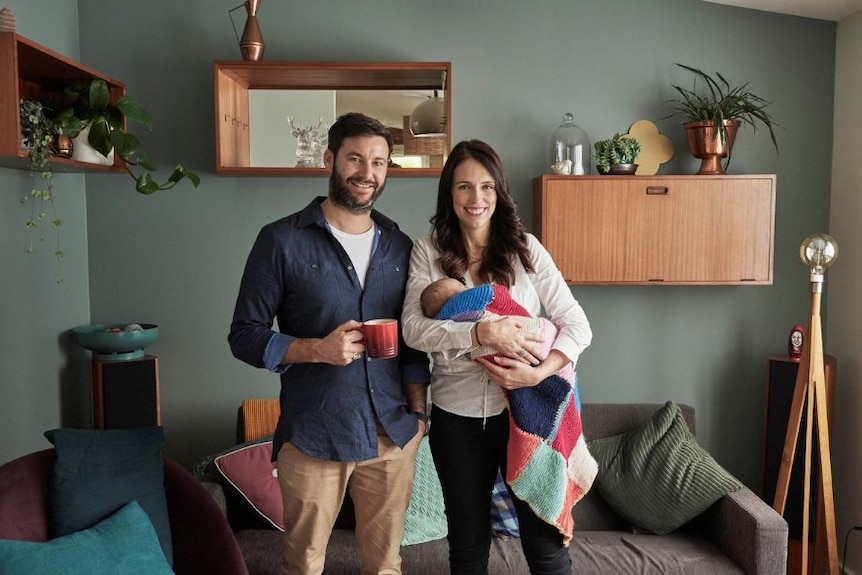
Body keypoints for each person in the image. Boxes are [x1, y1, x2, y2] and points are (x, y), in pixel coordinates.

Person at [228, 112, 430, 575]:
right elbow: (244, 334)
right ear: (330, 160)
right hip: (315, 433)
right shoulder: (280, 240)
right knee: (303, 565)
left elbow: (414, 343)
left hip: (392, 433)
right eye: (356, 158)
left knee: (385, 566)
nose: (367, 173)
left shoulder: (400, 246)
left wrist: (419, 417)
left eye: (379, 162)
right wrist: (316, 349)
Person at [402, 139, 593, 575]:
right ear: (449, 193)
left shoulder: (526, 249)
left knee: (545, 549)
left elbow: (578, 325)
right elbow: (413, 329)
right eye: (465, 187)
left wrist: (537, 372)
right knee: (468, 550)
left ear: (499, 192)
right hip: (457, 423)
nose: (476, 199)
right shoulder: (427, 251)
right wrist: (480, 331)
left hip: (525, 418)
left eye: (487, 187)